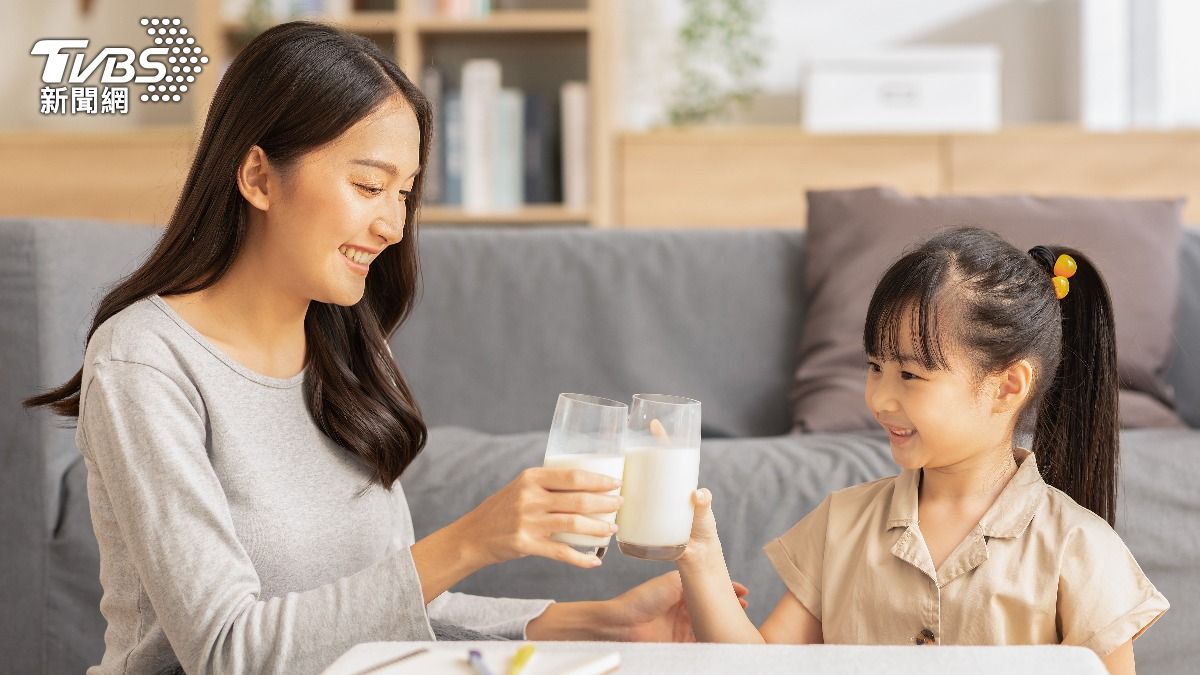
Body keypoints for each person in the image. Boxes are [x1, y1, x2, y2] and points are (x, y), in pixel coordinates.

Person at [24, 22, 743, 675]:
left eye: (404, 193)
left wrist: (589, 623)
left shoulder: (344, 350)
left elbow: (369, 612)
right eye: (369, 184)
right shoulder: (146, 360)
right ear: (256, 176)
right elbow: (229, 651)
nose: (393, 225)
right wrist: (470, 538)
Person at [672, 227, 1168, 675]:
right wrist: (698, 554)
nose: (880, 398)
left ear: (1008, 386)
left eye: (910, 374)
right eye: (874, 367)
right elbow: (753, 669)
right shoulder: (840, 524)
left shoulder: (1077, 545)